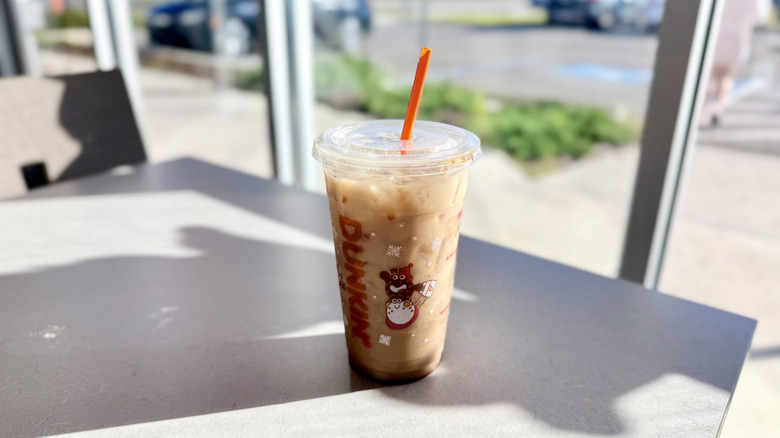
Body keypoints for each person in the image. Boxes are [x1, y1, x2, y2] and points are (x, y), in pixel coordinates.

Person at [702, 0, 771, 127]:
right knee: (726, 74)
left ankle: (703, 109)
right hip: (738, 35)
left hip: (718, 31)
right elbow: (759, 17)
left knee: (711, 74)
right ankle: (717, 107)